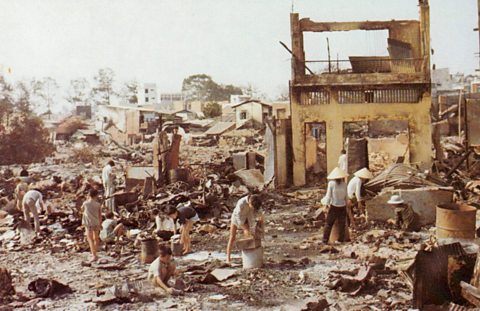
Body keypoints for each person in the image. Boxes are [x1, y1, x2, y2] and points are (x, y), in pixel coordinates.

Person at [226, 194, 262, 264]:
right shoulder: (241, 203)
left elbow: (256, 213)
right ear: (249, 203)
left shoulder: (255, 200)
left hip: (246, 218)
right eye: (252, 207)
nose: (253, 208)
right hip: (236, 218)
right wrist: (244, 227)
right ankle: (228, 259)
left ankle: (248, 256)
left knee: (249, 236)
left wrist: (255, 224)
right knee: (232, 237)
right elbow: (238, 217)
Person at [321, 167, 348, 244]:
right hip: (342, 206)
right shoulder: (344, 184)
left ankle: (325, 240)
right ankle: (340, 240)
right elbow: (346, 196)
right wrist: (347, 205)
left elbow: (328, 196)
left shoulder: (331, 184)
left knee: (329, 223)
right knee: (342, 224)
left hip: (334, 206)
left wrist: (326, 205)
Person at [82, 189, 102, 262]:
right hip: (96, 223)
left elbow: (81, 210)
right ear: (96, 195)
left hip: (88, 223)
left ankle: (93, 255)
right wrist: (100, 224)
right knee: (96, 238)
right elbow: (100, 216)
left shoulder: (85, 203)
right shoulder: (98, 204)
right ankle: (95, 253)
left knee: (90, 239)